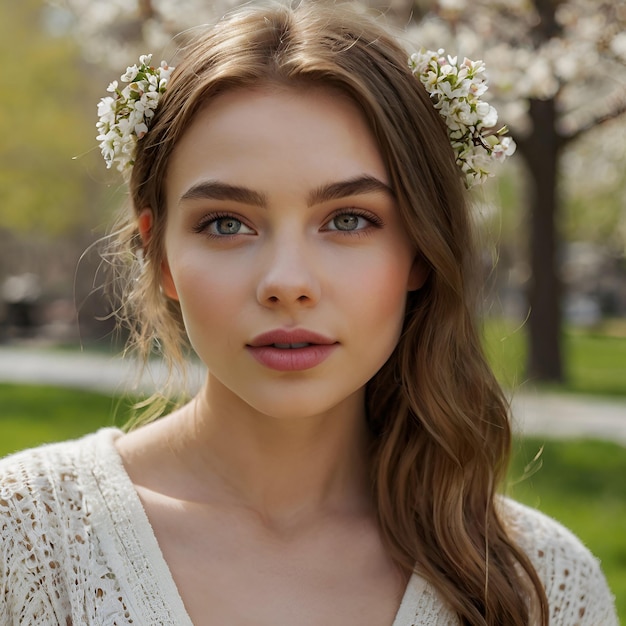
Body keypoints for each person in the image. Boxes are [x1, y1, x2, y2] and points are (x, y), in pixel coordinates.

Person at [0, 2, 618, 625]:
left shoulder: (542, 585)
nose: (286, 284)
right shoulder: (24, 539)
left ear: (420, 251)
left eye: (349, 219)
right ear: (160, 255)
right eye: (226, 223)